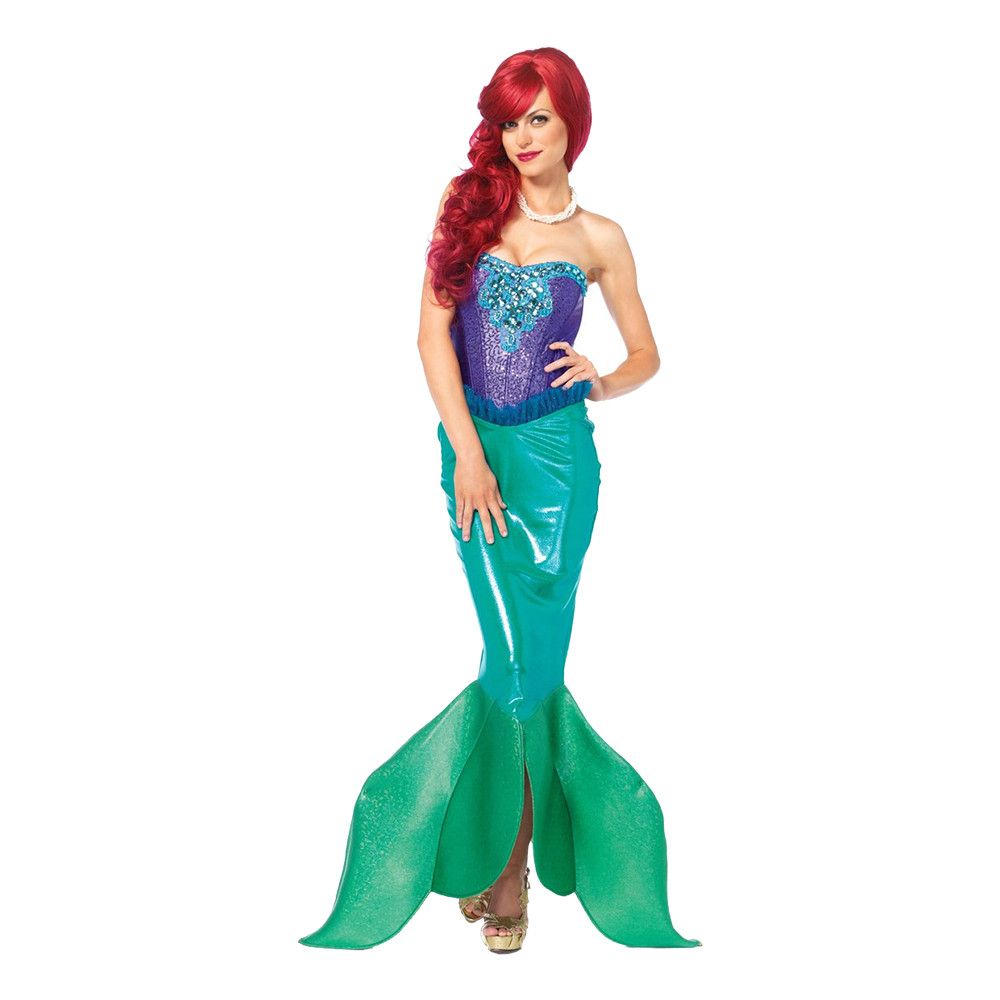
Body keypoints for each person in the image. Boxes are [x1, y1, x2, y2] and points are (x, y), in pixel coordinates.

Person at [298, 46, 701, 955]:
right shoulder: (468, 204)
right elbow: (430, 338)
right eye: (510, 119)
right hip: (476, 459)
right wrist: (470, 459)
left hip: (561, 469)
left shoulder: (601, 238)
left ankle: (500, 860)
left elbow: (648, 354)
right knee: (511, 662)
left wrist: (603, 378)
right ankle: (500, 862)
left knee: (530, 671)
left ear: (571, 125)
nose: (522, 136)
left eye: (539, 118)